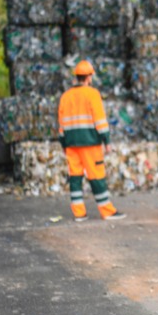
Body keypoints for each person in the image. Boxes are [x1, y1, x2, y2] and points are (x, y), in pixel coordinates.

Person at [58, 60, 125, 221]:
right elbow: (100, 121)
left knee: (75, 178)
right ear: (89, 77)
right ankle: (107, 211)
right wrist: (107, 141)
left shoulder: (66, 96)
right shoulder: (92, 94)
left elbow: (61, 123)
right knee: (96, 176)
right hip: (90, 143)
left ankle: (79, 213)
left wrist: (63, 143)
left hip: (71, 144)